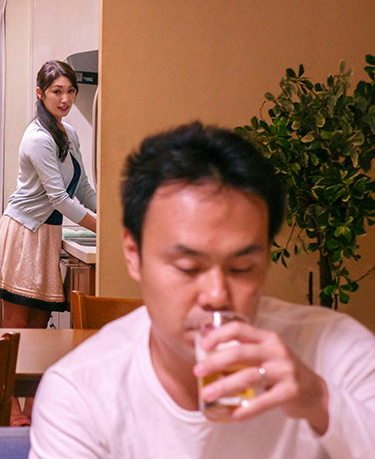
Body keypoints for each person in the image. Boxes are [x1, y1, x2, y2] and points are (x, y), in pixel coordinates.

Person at [30, 122, 375, 458]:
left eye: (242, 268)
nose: (217, 295)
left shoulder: (335, 350)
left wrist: (320, 402)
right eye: (188, 267)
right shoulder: (80, 393)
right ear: (133, 254)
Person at [0, 60, 97, 425]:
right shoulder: (38, 138)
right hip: (23, 234)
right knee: (16, 330)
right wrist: (102, 229)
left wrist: (113, 217)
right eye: (57, 92)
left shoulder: (68, 133)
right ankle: (10, 410)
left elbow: (83, 188)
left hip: (46, 236)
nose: (65, 99)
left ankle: (33, 410)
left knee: (39, 328)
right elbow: (59, 198)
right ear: (40, 94)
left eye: (70, 91)